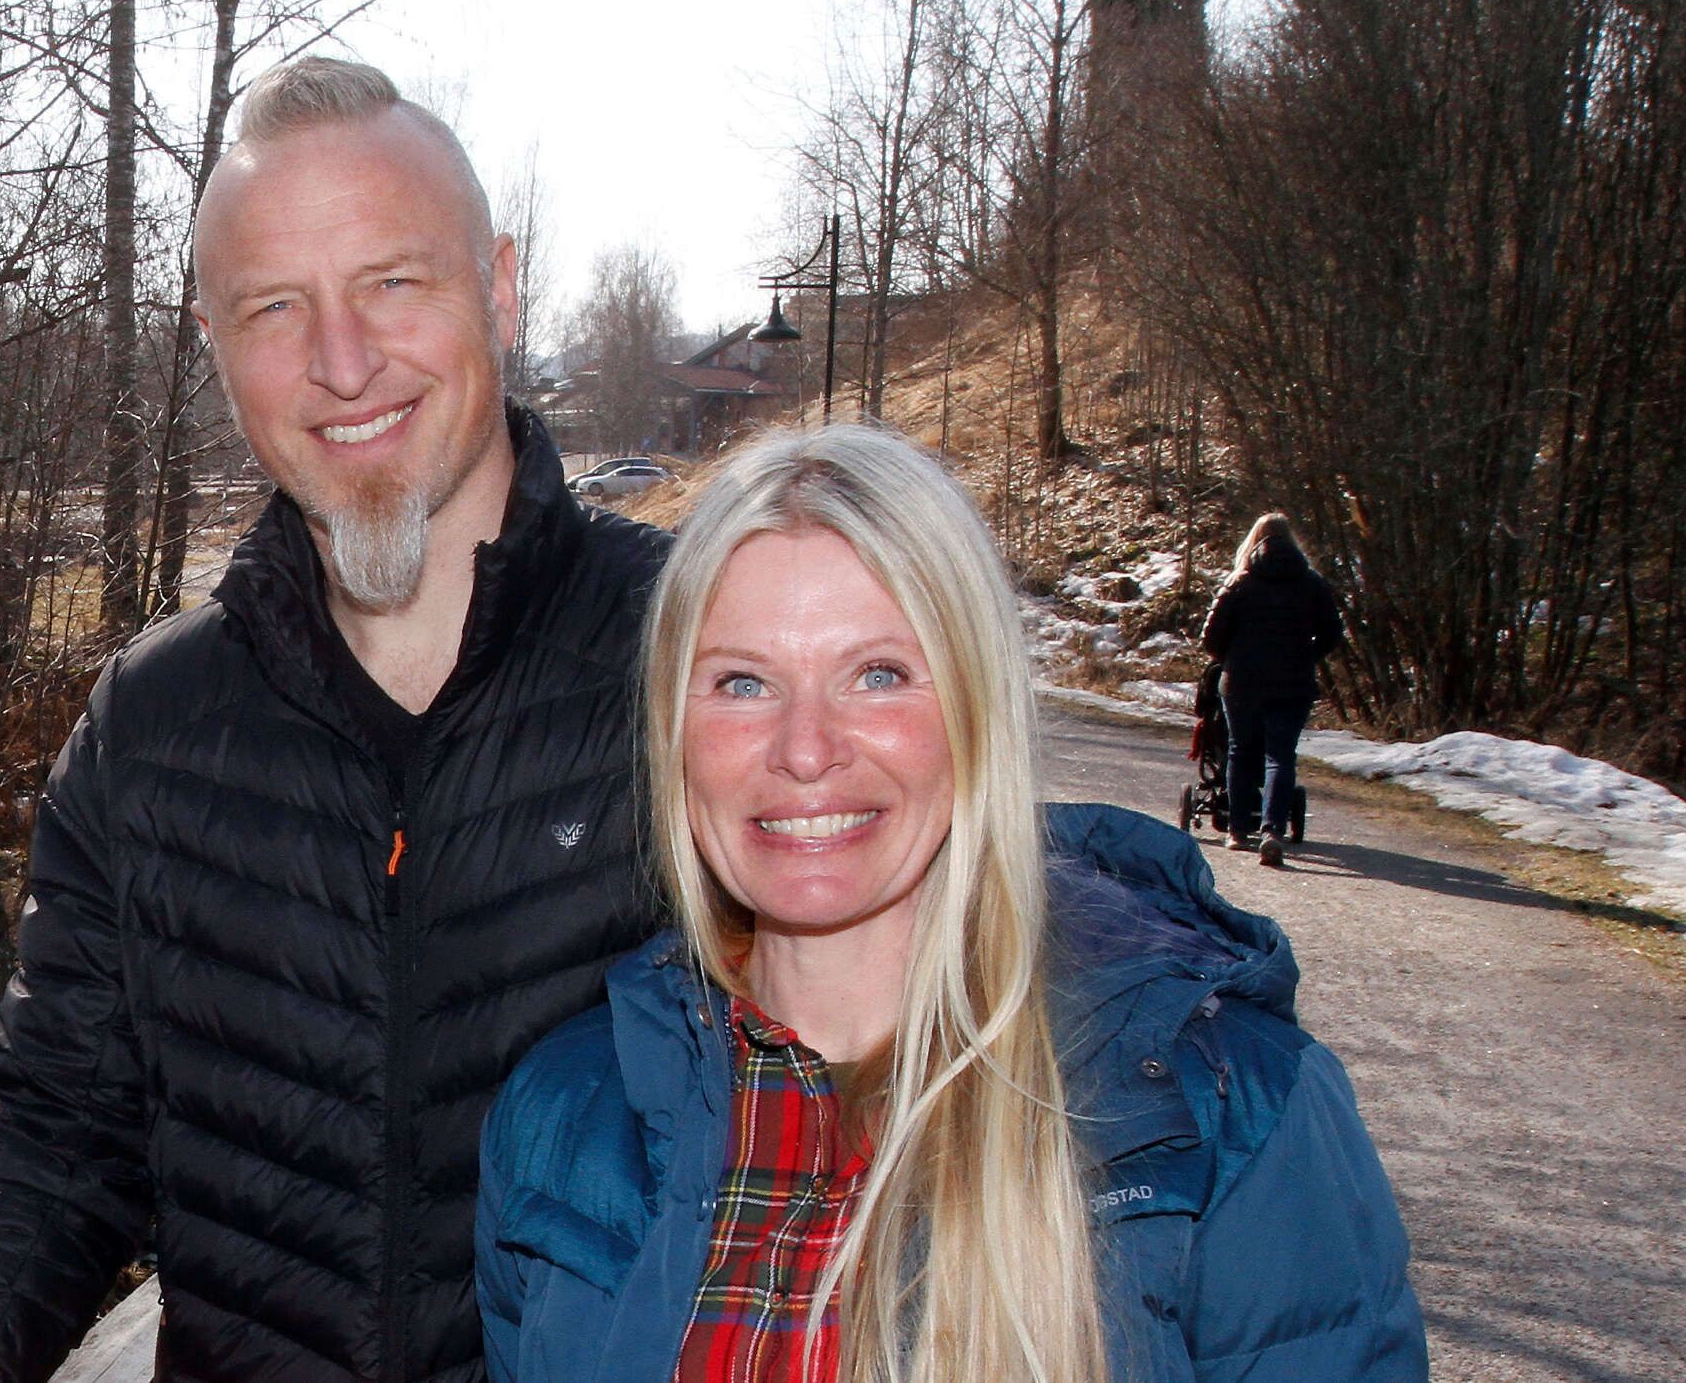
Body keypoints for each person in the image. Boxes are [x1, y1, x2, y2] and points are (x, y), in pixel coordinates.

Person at [0, 58, 669, 1383]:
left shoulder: (698, 661)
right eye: (275, 307)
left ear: (501, 287)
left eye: (392, 282)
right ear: (213, 340)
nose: (342, 363)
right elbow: (56, 1153)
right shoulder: (151, 727)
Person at [477, 426, 1424, 1383]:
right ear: (671, 728)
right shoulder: (565, 1113)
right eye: (743, 681)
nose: (804, 749)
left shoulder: (1227, 1116)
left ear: (978, 707)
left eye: (877, 674)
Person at [1199, 513, 1346, 867]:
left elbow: (1211, 637)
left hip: (1242, 682)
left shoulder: (1239, 582)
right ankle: (1272, 832)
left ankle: (1237, 831)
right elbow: (1333, 633)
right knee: (1280, 756)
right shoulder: (1312, 583)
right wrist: (1306, 655)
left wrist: (1231, 657)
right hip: (1293, 682)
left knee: (1240, 751)